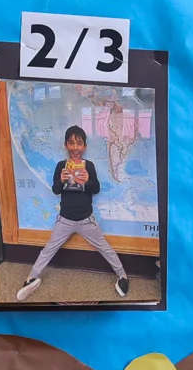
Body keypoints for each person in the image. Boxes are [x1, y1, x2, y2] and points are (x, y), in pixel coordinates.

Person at [16, 124, 131, 301]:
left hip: (86, 220)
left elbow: (96, 188)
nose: (75, 147)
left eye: (79, 143)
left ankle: (123, 275)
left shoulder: (89, 166)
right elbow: (55, 190)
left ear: (84, 146)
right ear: (66, 145)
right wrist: (61, 180)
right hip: (65, 220)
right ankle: (30, 278)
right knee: (48, 250)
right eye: (71, 143)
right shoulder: (61, 165)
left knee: (105, 247)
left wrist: (86, 181)